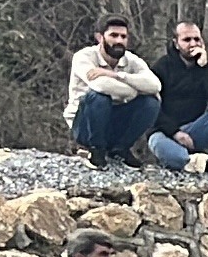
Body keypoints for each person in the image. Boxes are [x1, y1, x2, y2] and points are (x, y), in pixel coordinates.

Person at [64, 20, 163, 166]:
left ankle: (120, 149)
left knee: (151, 102)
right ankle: (95, 150)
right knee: (98, 97)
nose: (119, 41)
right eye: (113, 35)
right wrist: (135, 91)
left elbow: (155, 85)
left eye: (123, 37)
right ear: (100, 37)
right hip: (85, 123)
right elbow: (100, 85)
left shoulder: (131, 60)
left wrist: (118, 76)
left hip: (114, 120)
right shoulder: (83, 57)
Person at [149, 21, 208, 175]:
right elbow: (151, 107)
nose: (193, 44)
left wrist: (205, 68)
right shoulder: (162, 67)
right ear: (176, 43)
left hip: (195, 130)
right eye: (187, 40)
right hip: (166, 133)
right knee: (157, 143)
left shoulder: (204, 69)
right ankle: (193, 162)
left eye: (197, 39)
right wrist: (174, 132)